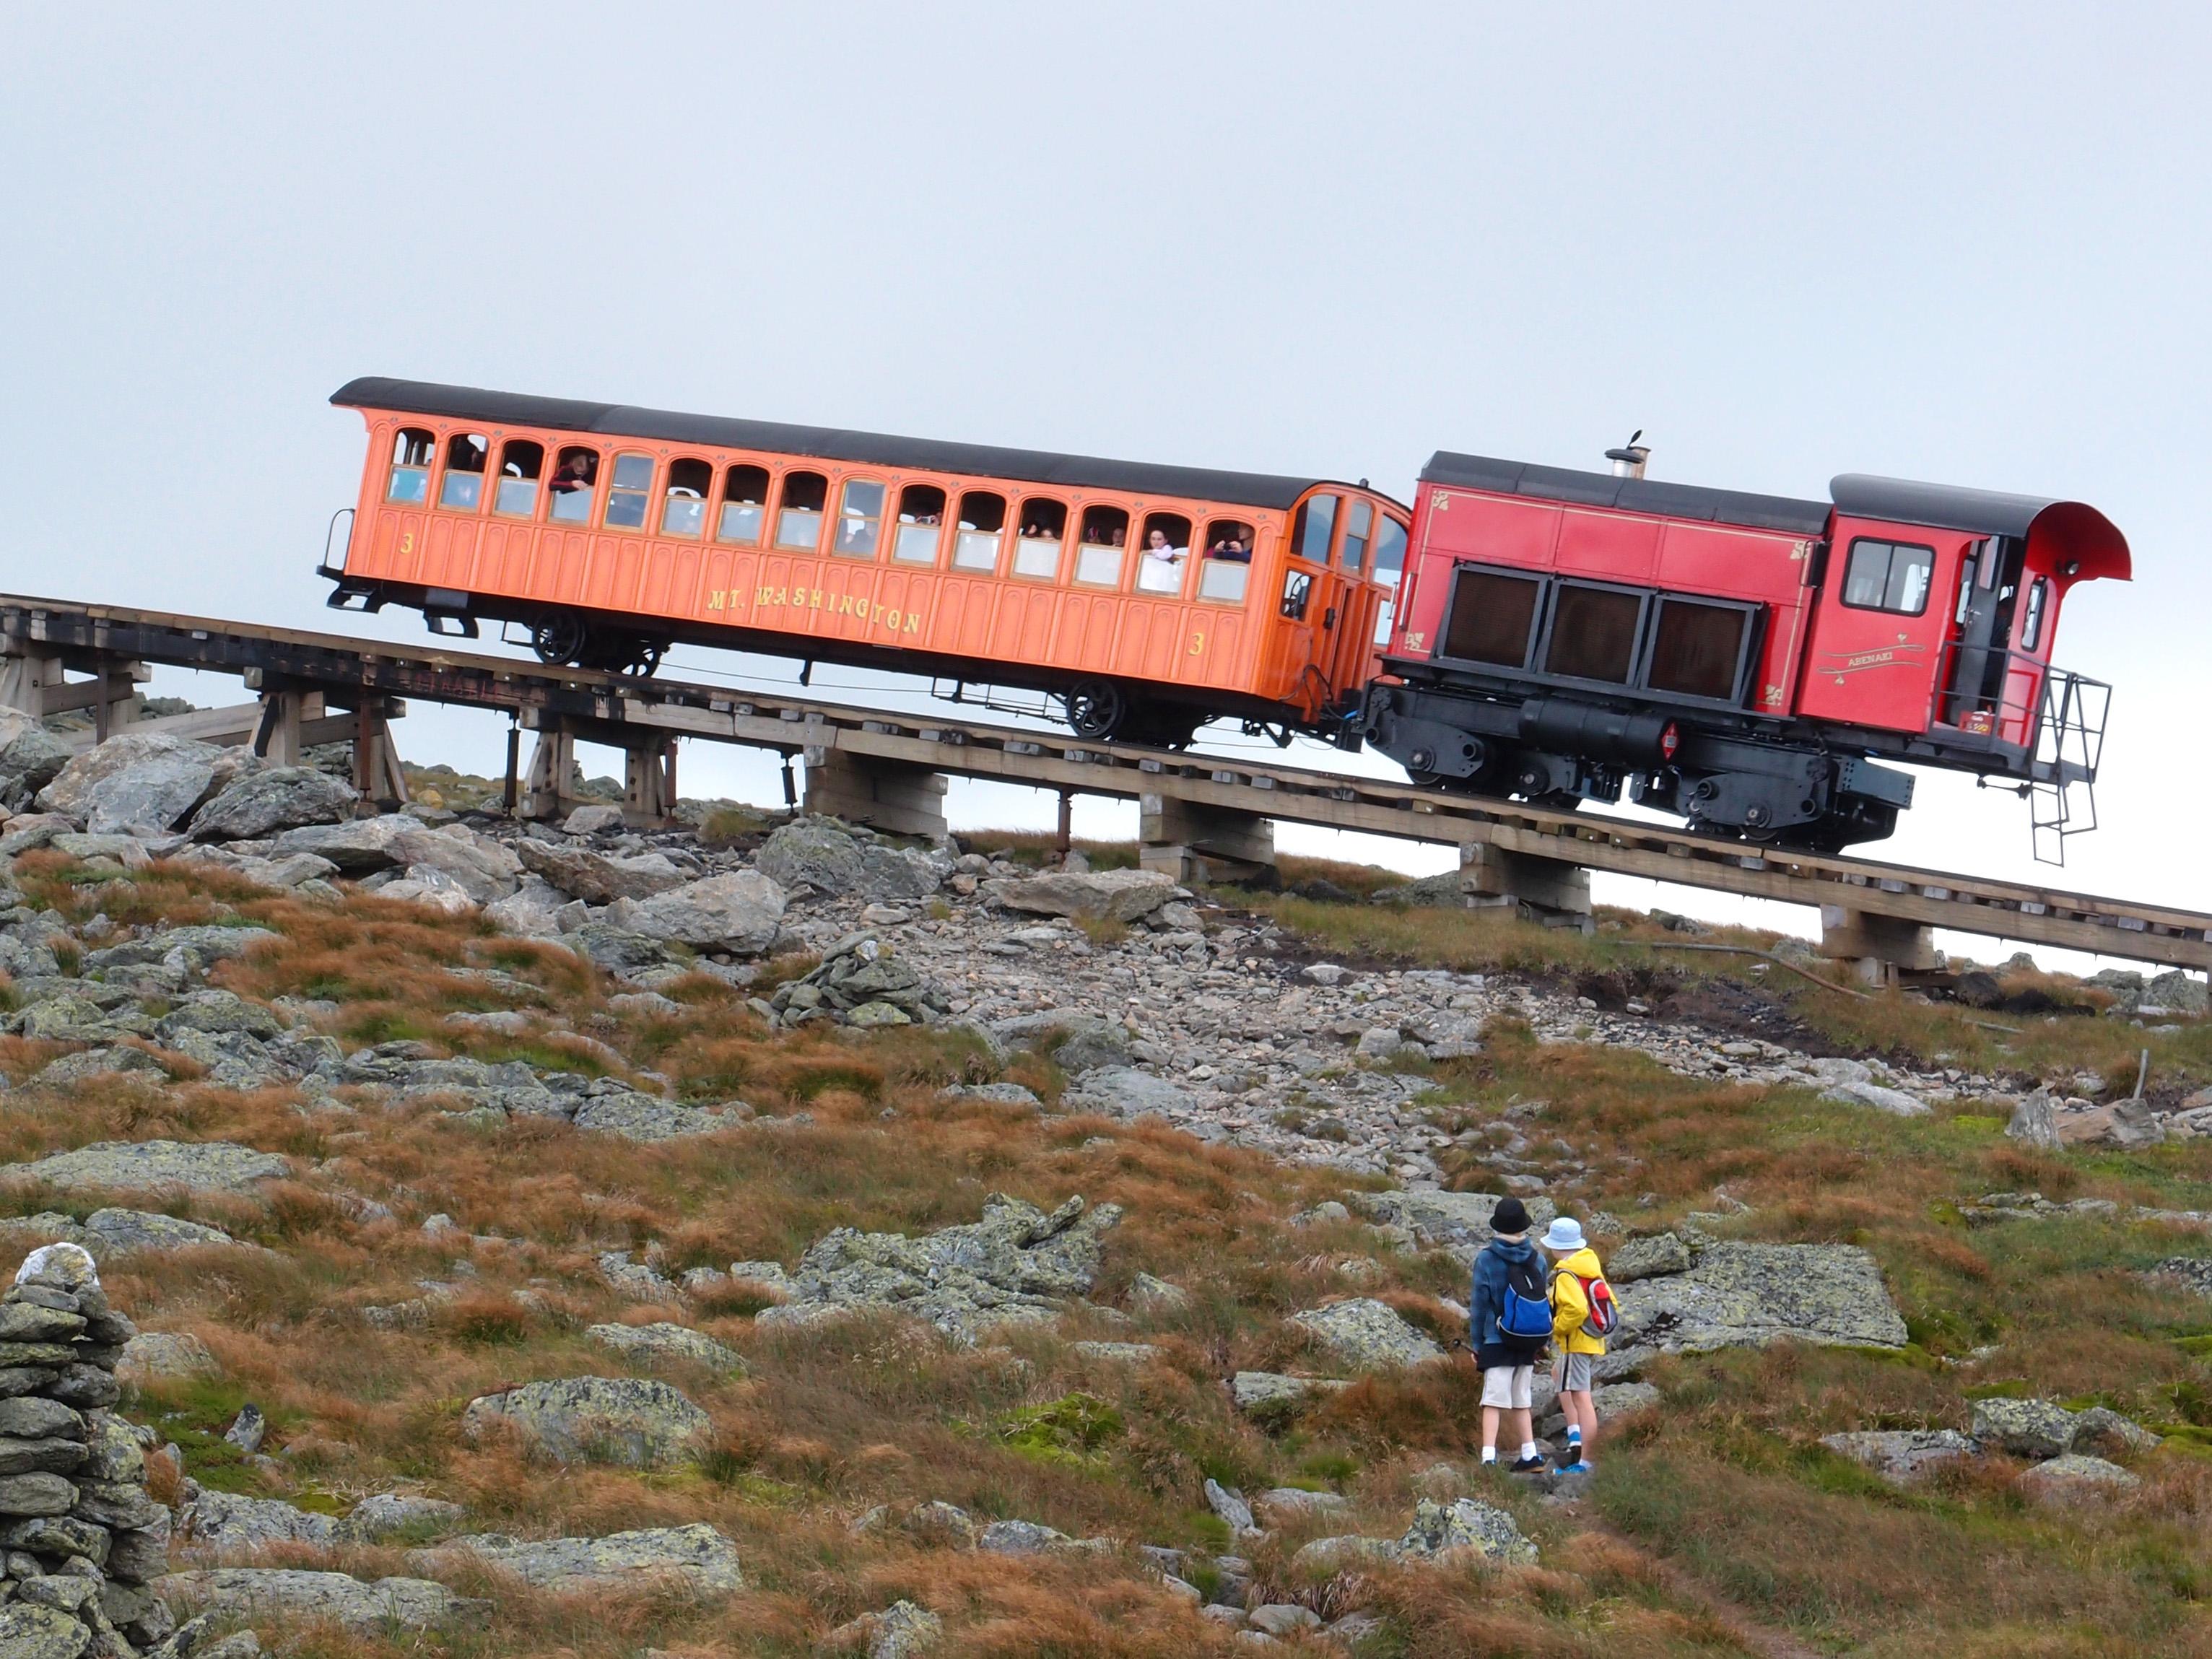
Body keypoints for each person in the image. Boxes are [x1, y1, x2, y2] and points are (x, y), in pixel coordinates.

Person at [1468, 1197, 1550, 1472]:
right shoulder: (1538, 1260)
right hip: (1528, 1342)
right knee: (1521, 1400)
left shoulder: (1487, 1259)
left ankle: (1488, 1458)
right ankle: (1531, 1454)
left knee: (1492, 1401)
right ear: (1523, 1226)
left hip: (1497, 1339)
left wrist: (1477, 1344)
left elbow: (1480, 1305)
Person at [1540, 1216, 1607, 1473]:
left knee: (1582, 1397)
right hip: (1591, 1338)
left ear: (1557, 1246)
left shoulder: (1566, 1273)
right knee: (1558, 1372)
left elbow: (1577, 1309)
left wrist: (1556, 1327)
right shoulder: (1588, 1264)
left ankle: (1586, 1461)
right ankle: (1575, 1435)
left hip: (1576, 1341)